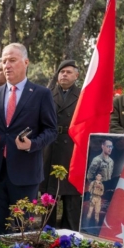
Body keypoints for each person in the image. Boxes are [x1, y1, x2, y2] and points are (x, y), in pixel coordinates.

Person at [0, 43, 57, 235]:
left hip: (25, 172)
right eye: (4, 61)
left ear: (26, 62)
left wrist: (32, 144)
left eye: (12, 60)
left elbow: (51, 130)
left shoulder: (41, 94)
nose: (7, 65)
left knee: (22, 227)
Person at [42, 59, 82, 230]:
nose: (64, 75)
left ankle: (71, 235)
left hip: (72, 149)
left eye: (68, 72)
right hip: (50, 148)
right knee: (48, 196)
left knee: (71, 197)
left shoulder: (82, 96)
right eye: (62, 72)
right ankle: (46, 233)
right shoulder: (47, 94)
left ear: (76, 76)